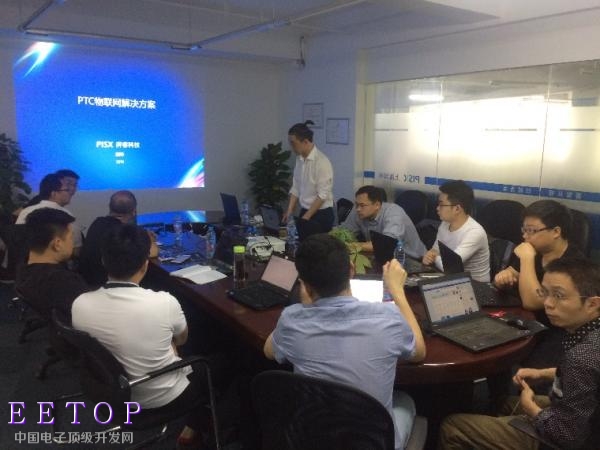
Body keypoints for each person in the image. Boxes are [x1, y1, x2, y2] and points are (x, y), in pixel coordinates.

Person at [264, 234, 426, 449]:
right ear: (351, 269)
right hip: (372, 443)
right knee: (405, 401)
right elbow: (419, 352)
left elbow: (269, 350)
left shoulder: (292, 320)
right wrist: (397, 291)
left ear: (303, 283)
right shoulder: (388, 317)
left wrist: (306, 307)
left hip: (314, 439)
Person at [438, 257, 600, 450]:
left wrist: (533, 411)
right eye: (545, 292)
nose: (548, 303)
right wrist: (542, 373)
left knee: (452, 426)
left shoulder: (582, 356)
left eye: (559, 295)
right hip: (583, 415)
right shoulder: (590, 338)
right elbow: (589, 376)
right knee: (503, 403)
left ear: (592, 304)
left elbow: (567, 436)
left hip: (574, 439)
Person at [72, 224, 210, 449]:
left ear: (104, 261)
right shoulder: (164, 302)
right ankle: (197, 426)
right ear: (146, 263)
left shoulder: (79, 304)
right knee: (219, 364)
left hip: (110, 394)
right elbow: (182, 341)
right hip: (162, 399)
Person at [15, 208, 89, 323]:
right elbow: (93, 316)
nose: (72, 243)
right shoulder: (65, 282)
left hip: (53, 323)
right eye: (71, 238)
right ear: (57, 244)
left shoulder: (24, 267)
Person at [79, 190, 157, 286]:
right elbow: (153, 252)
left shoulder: (97, 223)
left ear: (110, 207)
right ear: (134, 212)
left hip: (88, 281)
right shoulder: (122, 232)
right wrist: (149, 240)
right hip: (107, 283)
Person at [422, 180, 490, 282]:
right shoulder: (445, 224)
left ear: (457, 209)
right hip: (453, 280)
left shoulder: (475, 232)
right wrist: (428, 256)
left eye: (441, 205)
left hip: (475, 285)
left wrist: (434, 257)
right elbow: (434, 251)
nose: (437, 208)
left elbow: (450, 267)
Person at [340, 185, 426, 258]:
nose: (358, 209)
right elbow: (343, 231)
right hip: (383, 256)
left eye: (362, 205)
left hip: (412, 259)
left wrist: (353, 246)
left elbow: (385, 245)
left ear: (377, 205)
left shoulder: (393, 212)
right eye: (357, 205)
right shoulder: (358, 211)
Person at [283, 121, 334, 239]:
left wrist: (306, 218)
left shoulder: (322, 162)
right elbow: (296, 186)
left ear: (305, 142)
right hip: (305, 210)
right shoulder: (299, 159)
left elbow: (322, 195)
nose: (292, 147)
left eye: (293, 143)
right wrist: (289, 210)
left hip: (321, 214)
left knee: (314, 246)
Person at [16, 173, 83, 251]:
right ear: (53, 193)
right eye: (67, 190)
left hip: (25, 256)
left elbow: (17, 238)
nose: (71, 192)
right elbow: (76, 248)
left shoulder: (26, 211)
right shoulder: (65, 215)